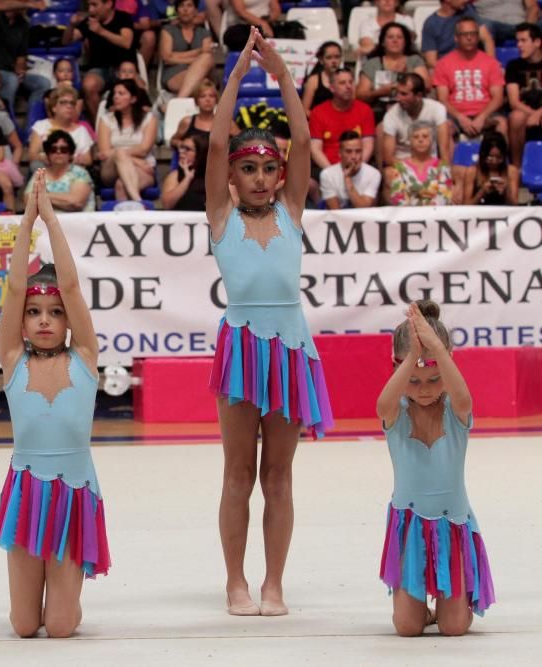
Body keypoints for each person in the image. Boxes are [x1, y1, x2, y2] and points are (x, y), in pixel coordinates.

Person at [205, 29, 333, 617]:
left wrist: (281, 74)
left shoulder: (291, 212)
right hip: (242, 349)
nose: (258, 176)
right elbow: (213, 145)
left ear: (281, 176)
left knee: (278, 476)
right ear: (232, 178)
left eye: (267, 167)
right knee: (239, 473)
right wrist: (236, 74)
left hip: (289, 348)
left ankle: (273, 582)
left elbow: (303, 137)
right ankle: (236, 582)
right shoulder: (222, 216)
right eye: (247, 168)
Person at [0, 171, 110, 639]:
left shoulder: (84, 358)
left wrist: (50, 218)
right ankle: (38, 600)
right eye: (36, 313)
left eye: (55, 313)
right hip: (26, 492)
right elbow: (16, 287)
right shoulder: (11, 360)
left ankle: (69, 603)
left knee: (60, 628)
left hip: (73, 490)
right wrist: (26, 221)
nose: (44, 320)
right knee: (24, 627)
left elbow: (72, 285)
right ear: (22, 321)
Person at [376, 300, 495, 637]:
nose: (425, 389)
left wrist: (438, 351)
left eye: (433, 378)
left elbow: (465, 398)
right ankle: (421, 608)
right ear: (399, 369)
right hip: (410, 526)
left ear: (448, 367)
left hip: (452, 524)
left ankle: (455, 606)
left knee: (455, 627)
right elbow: (382, 403)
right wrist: (413, 354)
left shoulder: (456, 413)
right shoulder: (395, 413)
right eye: (413, 380)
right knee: (407, 628)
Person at [433, 17, 507, 140]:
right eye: (464, 34)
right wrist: (460, 117)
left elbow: (498, 98)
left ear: (478, 37)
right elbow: (442, 99)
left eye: (473, 34)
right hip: (455, 116)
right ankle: (447, 160)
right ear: (456, 38)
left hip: (485, 113)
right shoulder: (443, 64)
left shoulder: (491, 63)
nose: (469, 38)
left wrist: (482, 117)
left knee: (501, 123)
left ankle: (503, 159)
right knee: (445, 126)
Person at [63, 0, 138, 122]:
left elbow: (126, 42)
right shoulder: (89, 21)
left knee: (138, 85)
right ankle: (100, 126)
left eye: (94, 5)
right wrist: (71, 26)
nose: (91, 10)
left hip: (123, 68)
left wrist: (101, 31)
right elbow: (66, 41)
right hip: (100, 68)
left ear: (108, 3)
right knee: (88, 85)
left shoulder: (123, 17)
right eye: (89, 5)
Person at [96, 78, 157, 202]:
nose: (115, 97)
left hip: (143, 170)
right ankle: (138, 201)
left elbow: (144, 150)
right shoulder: (106, 120)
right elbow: (104, 153)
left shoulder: (149, 118)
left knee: (121, 186)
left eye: (121, 93)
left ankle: (129, 218)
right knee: (119, 152)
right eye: (114, 93)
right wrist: (136, 160)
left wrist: (120, 153)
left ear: (133, 99)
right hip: (111, 169)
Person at [356, 23, 431, 120]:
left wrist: (403, 79)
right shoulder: (372, 63)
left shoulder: (414, 60)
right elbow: (361, 94)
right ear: (383, 42)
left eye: (399, 37)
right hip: (379, 111)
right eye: (390, 37)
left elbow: (427, 86)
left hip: (412, 110)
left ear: (405, 42)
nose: (395, 40)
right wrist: (378, 92)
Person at [309, 69, 376, 170]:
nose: (348, 86)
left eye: (351, 82)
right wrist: (333, 174)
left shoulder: (365, 110)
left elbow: (368, 145)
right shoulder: (318, 112)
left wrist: (355, 168)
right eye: (342, 83)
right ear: (332, 88)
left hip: (358, 167)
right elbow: (315, 149)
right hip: (326, 167)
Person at [381, 73, 451, 167]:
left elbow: (444, 151)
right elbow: (388, 158)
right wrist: (415, 168)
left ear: (418, 96)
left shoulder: (437, 109)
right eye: (397, 93)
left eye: (404, 94)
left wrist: (444, 170)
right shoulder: (391, 115)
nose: (398, 98)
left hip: (431, 163)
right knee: (389, 174)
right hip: (403, 163)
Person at [383, 120, 454, 206]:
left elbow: (445, 195)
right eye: (416, 137)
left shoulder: (442, 167)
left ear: (432, 140)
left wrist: (428, 211)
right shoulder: (400, 167)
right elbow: (397, 197)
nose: (420, 140)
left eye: (425, 136)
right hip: (408, 216)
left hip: (436, 215)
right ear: (410, 141)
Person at [23, 131, 96, 212]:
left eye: (64, 149)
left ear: (70, 153)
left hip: (79, 223)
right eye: (53, 149)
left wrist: (41, 196)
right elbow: (28, 200)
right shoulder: (40, 174)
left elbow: (76, 202)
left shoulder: (80, 173)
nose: (58, 152)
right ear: (47, 153)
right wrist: (64, 200)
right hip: (45, 223)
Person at [27, 85, 93, 171]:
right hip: (46, 169)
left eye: (72, 103)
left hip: (71, 172)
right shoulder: (41, 126)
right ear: (54, 108)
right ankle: (44, 184)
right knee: (37, 166)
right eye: (63, 102)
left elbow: (88, 160)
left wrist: (70, 160)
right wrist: (50, 158)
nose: (69, 106)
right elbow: (32, 155)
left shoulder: (81, 130)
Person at [158, 0, 214, 100]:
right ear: (176, 10)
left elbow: (207, 59)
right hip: (174, 73)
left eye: (189, 6)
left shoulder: (204, 33)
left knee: (206, 58)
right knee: (203, 85)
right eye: (181, 6)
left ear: (196, 10)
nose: (185, 10)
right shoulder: (168, 30)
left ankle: (178, 101)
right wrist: (198, 53)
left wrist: (174, 56)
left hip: (202, 73)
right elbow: (166, 58)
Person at [506, 23, 542, 167]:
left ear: (537, 42)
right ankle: (517, 167)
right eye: (517, 41)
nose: (519, 45)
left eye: (523, 40)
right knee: (516, 117)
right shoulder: (514, 66)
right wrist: (533, 114)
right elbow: (513, 101)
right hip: (525, 113)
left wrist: (539, 114)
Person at [421, 0, 494, 70]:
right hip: (447, 70)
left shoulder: (467, 11)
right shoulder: (431, 24)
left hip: (473, 66)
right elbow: (431, 62)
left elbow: (487, 40)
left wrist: (490, 65)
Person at [319, 131, 381, 209]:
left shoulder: (374, 174)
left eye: (358, 151)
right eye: (348, 151)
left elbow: (363, 208)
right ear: (340, 153)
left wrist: (347, 179)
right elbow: (334, 211)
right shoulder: (327, 175)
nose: (354, 156)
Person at [170, 81, 238, 148]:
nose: (207, 100)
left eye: (211, 96)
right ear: (196, 101)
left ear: (216, 100)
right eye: (202, 96)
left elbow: (242, 141)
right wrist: (181, 144)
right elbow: (173, 140)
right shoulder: (187, 122)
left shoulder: (226, 123)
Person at [459, 131, 519, 205]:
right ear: (483, 155)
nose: (494, 161)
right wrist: (482, 192)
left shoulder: (511, 171)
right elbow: (465, 206)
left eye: (499, 158)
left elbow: (515, 205)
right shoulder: (472, 171)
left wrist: (506, 191)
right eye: (490, 157)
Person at [162, 131, 207, 210]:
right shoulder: (175, 175)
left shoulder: (210, 176)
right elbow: (167, 204)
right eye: (181, 148)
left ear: (200, 153)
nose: (181, 152)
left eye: (187, 149)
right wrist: (187, 179)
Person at [300, 42, 342, 116]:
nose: (334, 61)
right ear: (321, 60)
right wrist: (322, 119)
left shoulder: (347, 78)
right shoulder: (313, 81)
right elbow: (304, 110)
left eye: (337, 57)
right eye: (329, 58)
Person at [476, 0, 540, 46]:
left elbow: (533, 8)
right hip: (492, 25)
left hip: (520, 24)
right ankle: (490, 63)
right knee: (485, 27)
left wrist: (527, 28)